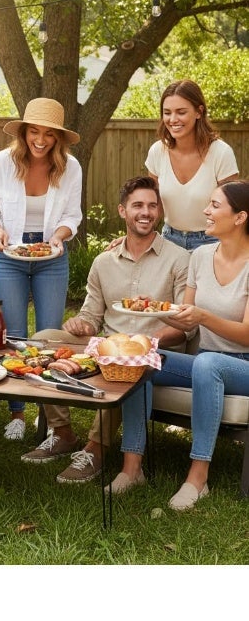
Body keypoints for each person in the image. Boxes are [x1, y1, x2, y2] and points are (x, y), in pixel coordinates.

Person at [21, 176, 191, 481]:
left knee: (125, 363)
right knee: (42, 340)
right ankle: (62, 433)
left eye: (153, 206)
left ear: (159, 212)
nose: (146, 212)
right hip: (107, 342)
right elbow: (91, 316)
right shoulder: (103, 262)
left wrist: (144, 343)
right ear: (122, 211)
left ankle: (95, 449)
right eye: (137, 205)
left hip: (156, 351)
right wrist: (81, 324)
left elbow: (183, 326)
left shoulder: (179, 259)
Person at [111, 180, 249, 509]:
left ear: (240, 217)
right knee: (141, 356)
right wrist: (156, 307)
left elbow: (245, 333)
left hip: (241, 365)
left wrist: (202, 316)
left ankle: (198, 478)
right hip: (204, 362)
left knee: (208, 363)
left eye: (215, 206)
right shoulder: (200, 257)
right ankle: (132, 469)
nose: (206, 211)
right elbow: (185, 317)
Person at [0, 98, 82, 441]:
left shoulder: (71, 168)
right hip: (9, 257)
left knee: (49, 338)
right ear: (23, 133)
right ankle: (18, 412)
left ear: (58, 138)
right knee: (14, 337)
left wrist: (59, 236)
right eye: (34, 132)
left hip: (51, 259)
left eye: (48, 134)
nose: (40, 140)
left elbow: (72, 216)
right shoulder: (0, 164)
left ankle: (49, 417)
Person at [108, 80, 238, 254]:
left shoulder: (221, 153)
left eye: (181, 112)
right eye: (167, 113)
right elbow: (153, 205)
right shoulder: (157, 152)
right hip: (169, 240)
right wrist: (133, 238)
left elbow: (231, 211)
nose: (173, 119)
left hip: (212, 243)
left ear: (199, 112)